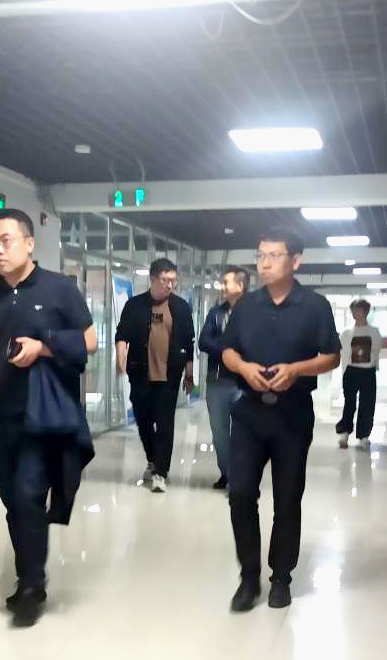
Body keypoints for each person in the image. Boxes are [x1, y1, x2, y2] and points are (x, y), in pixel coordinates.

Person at [0, 208, 96, 627]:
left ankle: (31, 584)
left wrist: (43, 347)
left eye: (6, 240)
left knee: (30, 496)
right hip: (1, 417)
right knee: (15, 503)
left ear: (29, 244)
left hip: (44, 416)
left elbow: (89, 340)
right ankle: (30, 571)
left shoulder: (59, 289)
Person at [220, 228, 341, 611]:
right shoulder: (246, 306)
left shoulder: (314, 306)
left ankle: (281, 578)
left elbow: (331, 356)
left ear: (296, 261)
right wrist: (244, 367)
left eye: (274, 255)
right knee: (240, 493)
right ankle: (248, 576)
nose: (265, 263)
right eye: (260, 255)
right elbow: (227, 351)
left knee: (287, 499)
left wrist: (296, 369)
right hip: (249, 412)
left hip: (292, 415)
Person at [115, 258, 195, 493]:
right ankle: (152, 459)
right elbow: (122, 333)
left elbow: (188, 342)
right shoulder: (135, 305)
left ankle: (161, 471)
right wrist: (120, 355)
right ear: (152, 279)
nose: (170, 285)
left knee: (165, 422)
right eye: (165, 280)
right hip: (140, 373)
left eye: (173, 281)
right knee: (143, 421)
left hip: (169, 375)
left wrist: (189, 373)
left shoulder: (181, 307)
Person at [199, 266, 249, 490]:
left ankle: (240, 479)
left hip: (243, 383)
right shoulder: (215, 313)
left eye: (226, 282)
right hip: (217, 381)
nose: (223, 286)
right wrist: (228, 351)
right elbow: (204, 341)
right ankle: (227, 473)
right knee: (219, 434)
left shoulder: (254, 313)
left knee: (242, 434)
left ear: (240, 285)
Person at [335, 299, 382, 450]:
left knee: (367, 404)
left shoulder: (374, 332)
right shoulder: (346, 332)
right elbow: (342, 352)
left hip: (368, 371)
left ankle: (363, 436)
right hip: (351, 371)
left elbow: (377, 350)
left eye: (359, 310)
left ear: (366, 312)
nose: (356, 313)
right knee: (349, 403)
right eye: (354, 311)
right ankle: (344, 433)